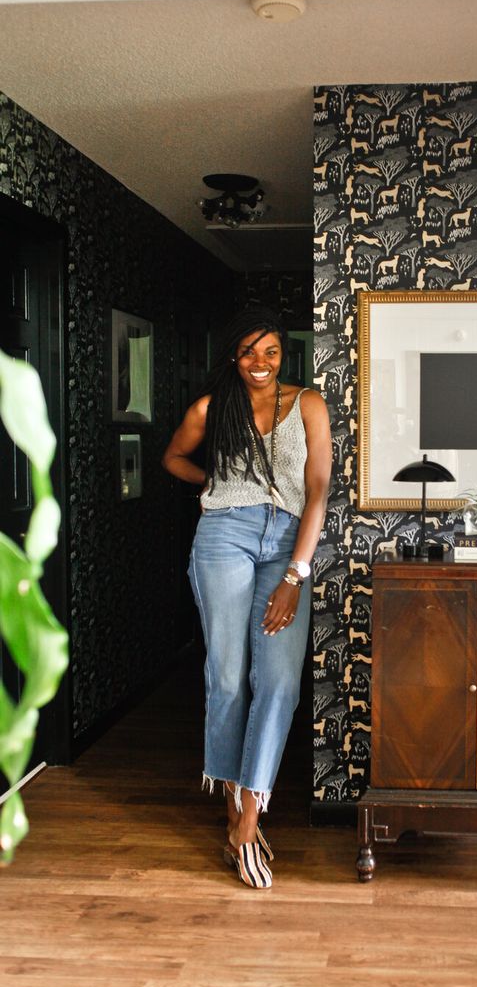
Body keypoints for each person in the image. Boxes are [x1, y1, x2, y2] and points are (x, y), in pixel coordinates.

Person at [162, 310, 331, 889]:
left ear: (285, 356)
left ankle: (248, 818)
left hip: (288, 542)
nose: (260, 364)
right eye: (248, 354)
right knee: (228, 677)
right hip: (223, 537)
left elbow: (318, 489)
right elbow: (173, 458)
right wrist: (212, 485)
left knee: (279, 682)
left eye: (271, 353)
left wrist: (296, 573)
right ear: (232, 357)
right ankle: (235, 810)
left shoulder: (308, 404)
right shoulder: (211, 409)